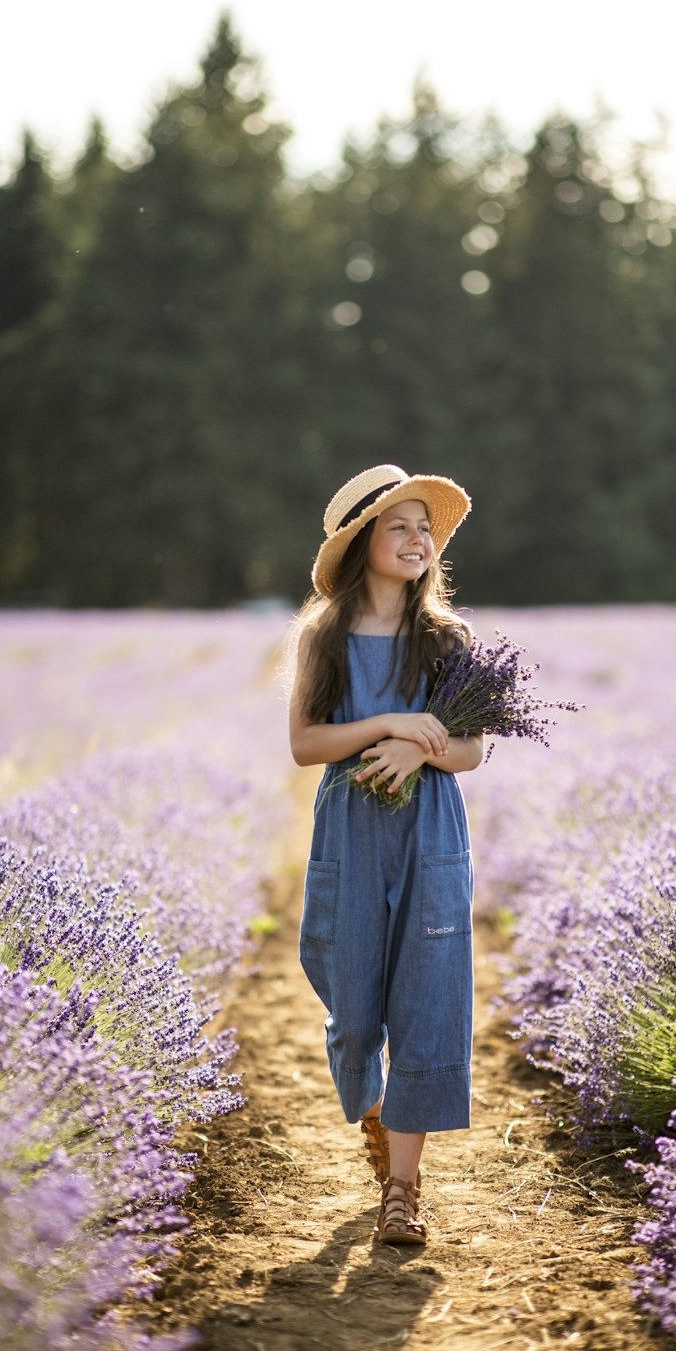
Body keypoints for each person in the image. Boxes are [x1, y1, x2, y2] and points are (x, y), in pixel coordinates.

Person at [288, 463, 484, 1245]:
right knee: (352, 999)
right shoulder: (323, 636)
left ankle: (402, 1191)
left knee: (430, 999)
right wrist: (391, 728)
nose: (417, 539)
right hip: (351, 832)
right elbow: (306, 744)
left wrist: (419, 754)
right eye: (398, 526)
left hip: (431, 830)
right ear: (363, 542)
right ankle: (375, 1108)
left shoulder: (448, 640)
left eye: (424, 527)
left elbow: (468, 751)